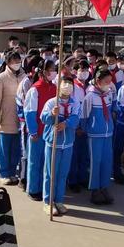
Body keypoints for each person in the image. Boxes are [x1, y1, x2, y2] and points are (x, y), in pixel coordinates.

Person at [41, 76, 80, 216]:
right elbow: (43, 118)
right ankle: (48, 201)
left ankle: (58, 200)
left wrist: (66, 123)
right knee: (51, 173)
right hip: (53, 143)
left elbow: (76, 118)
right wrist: (52, 114)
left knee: (63, 173)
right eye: (65, 83)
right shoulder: (52, 102)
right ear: (59, 85)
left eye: (70, 84)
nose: (68, 86)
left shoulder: (74, 103)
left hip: (68, 143)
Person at [81, 68, 115, 205]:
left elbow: (111, 110)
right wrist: (87, 129)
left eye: (110, 81)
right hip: (95, 135)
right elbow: (84, 116)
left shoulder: (108, 94)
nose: (109, 84)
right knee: (96, 162)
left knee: (107, 161)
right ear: (98, 81)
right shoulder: (90, 96)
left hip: (108, 133)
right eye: (106, 82)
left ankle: (104, 187)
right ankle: (95, 190)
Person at [24, 60, 57, 200]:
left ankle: (45, 188)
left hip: (50, 131)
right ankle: (33, 188)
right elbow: (30, 112)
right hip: (38, 130)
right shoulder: (34, 89)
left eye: (54, 69)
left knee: (47, 161)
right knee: (35, 160)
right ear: (42, 72)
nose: (53, 72)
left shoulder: (55, 87)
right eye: (50, 70)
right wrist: (33, 131)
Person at [0, 51, 26, 185]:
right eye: (13, 61)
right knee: (4, 147)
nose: (17, 63)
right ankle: (4, 173)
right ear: (7, 62)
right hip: (6, 116)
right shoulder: (1, 78)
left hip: (20, 118)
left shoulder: (25, 76)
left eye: (18, 60)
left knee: (16, 148)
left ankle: (12, 172)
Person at [16, 54, 44, 190]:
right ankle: (23, 178)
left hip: (39, 121)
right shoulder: (27, 82)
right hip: (26, 121)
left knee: (36, 154)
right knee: (26, 152)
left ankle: (34, 179)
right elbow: (27, 105)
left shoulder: (40, 83)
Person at [68, 60, 91, 192]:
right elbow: (70, 106)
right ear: (76, 71)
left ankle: (83, 178)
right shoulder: (72, 86)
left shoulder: (90, 87)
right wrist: (76, 126)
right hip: (75, 122)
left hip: (87, 121)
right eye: (81, 70)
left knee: (84, 153)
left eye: (86, 70)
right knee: (74, 154)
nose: (84, 72)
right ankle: (73, 180)